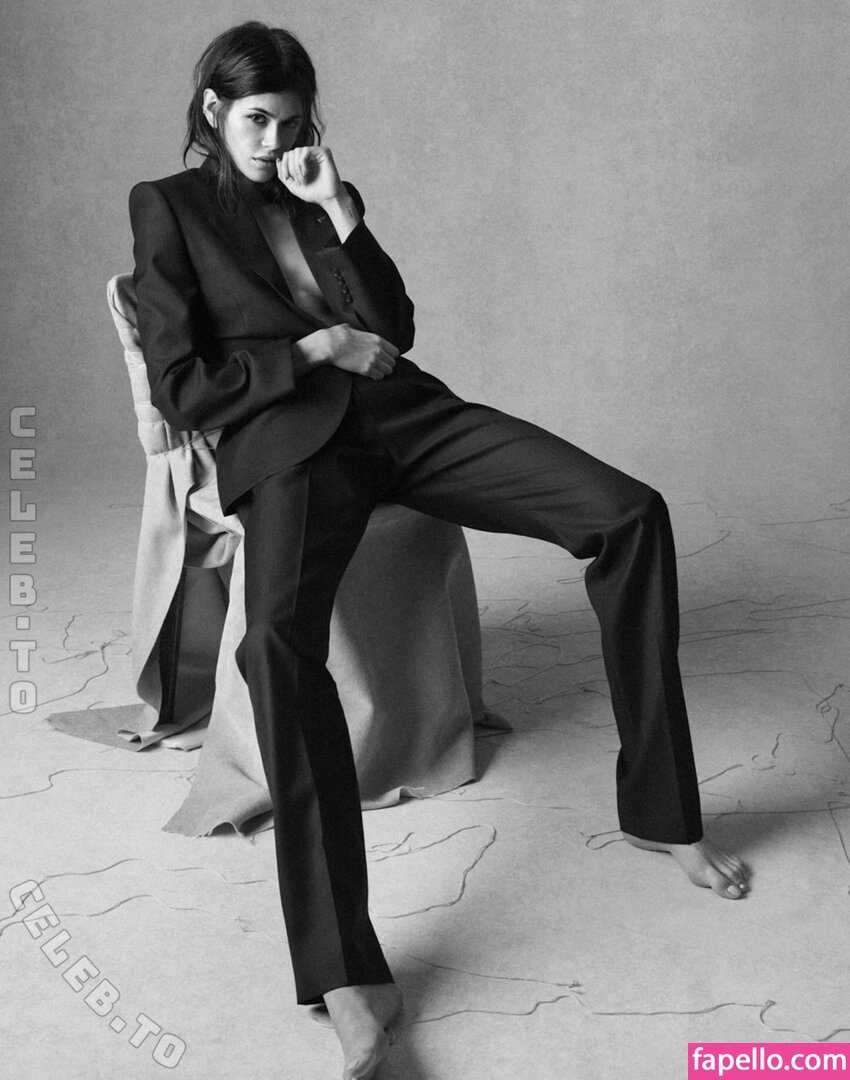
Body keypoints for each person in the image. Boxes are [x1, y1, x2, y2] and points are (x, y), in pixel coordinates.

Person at [129, 20, 749, 1080]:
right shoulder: (170, 207)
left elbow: (398, 326)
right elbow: (182, 385)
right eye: (256, 121)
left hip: (406, 420)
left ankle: (661, 812)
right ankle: (343, 971)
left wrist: (340, 209)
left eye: (292, 122)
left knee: (629, 513)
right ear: (213, 112)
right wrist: (315, 347)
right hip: (292, 450)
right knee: (274, 645)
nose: (275, 141)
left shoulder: (317, 189)